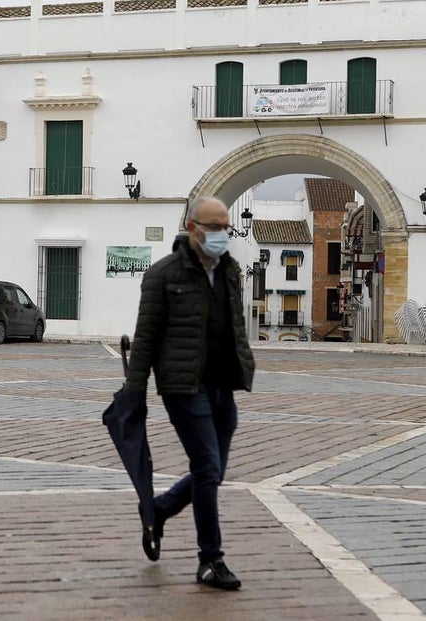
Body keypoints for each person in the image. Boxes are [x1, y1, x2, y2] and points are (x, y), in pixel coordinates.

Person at [124, 196, 256, 591]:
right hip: (183, 386)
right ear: (192, 227)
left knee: (209, 472)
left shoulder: (231, 271)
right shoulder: (163, 274)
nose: (220, 235)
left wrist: (244, 363)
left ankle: (160, 510)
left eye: (225, 227)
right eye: (213, 227)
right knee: (207, 467)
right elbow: (145, 338)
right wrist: (135, 391)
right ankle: (210, 560)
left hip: (223, 386)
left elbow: (234, 325)